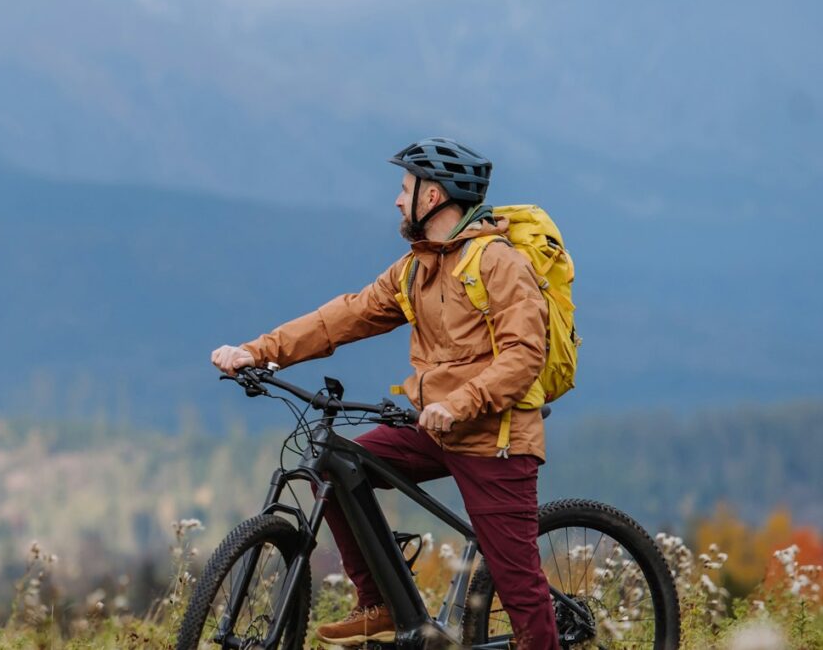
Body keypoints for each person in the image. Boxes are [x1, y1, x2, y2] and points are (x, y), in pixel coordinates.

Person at [210, 137, 560, 649]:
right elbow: (346, 315)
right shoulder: (416, 267)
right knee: (336, 466)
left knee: (520, 587)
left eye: (405, 189)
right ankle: (378, 606)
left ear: (433, 196)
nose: (398, 200)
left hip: (496, 439)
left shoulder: (500, 264)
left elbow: (524, 355)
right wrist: (259, 350)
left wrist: (457, 404)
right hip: (436, 428)